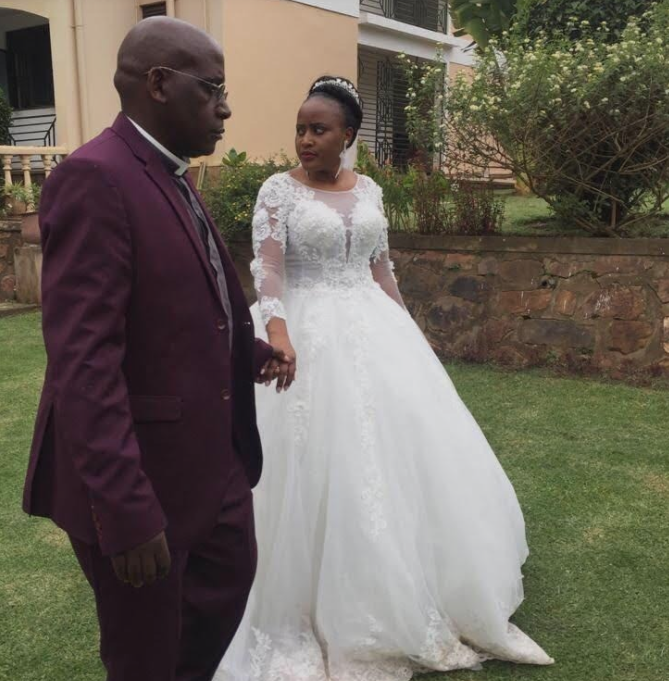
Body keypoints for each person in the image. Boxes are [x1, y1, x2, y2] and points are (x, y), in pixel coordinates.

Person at [216, 76, 554, 681]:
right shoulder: (276, 191)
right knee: (310, 467)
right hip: (306, 332)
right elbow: (265, 269)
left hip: (376, 333)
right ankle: (301, 605)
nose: (305, 140)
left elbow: (381, 268)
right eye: (300, 128)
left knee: (398, 459)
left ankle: (413, 585)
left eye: (318, 129)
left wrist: (410, 329)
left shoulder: (369, 188)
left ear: (348, 134)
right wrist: (278, 333)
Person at [22, 17, 292, 681]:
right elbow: (83, 361)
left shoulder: (171, 173)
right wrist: (125, 508)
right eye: (213, 90)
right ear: (159, 84)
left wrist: (245, 349)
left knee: (214, 612)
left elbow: (179, 300)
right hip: (142, 482)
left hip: (212, 464)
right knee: (147, 658)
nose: (225, 108)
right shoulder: (94, 178)